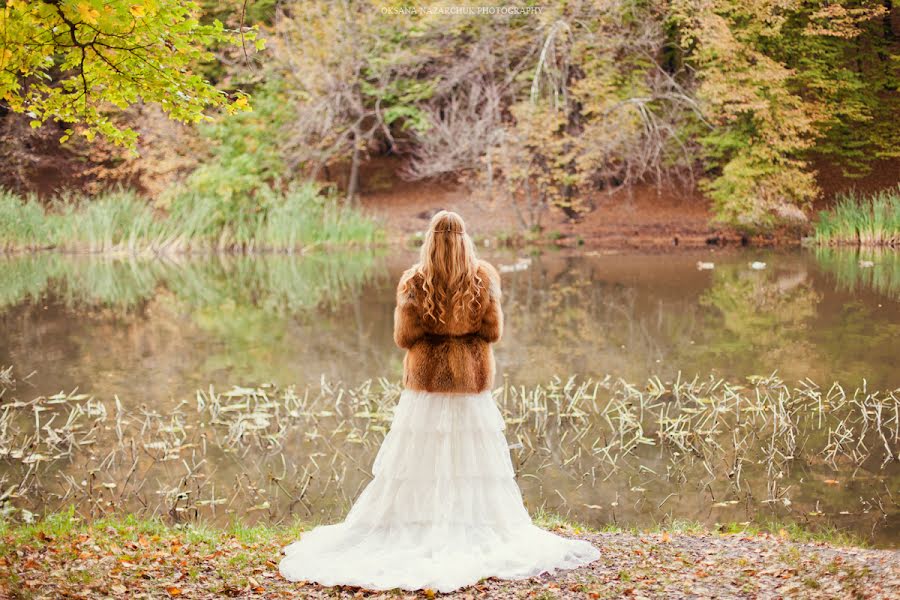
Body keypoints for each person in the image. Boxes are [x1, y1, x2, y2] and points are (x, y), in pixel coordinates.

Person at [279, 210, 599, 592]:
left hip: (426, 385)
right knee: (472, 462)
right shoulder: (484, 277)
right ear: (465, 239)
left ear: (430, 240)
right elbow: (492, 331)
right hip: (470, 384)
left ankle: (420, 522)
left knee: (419, 460)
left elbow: (405, 336)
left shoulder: (414, 280)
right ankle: (465, 523)